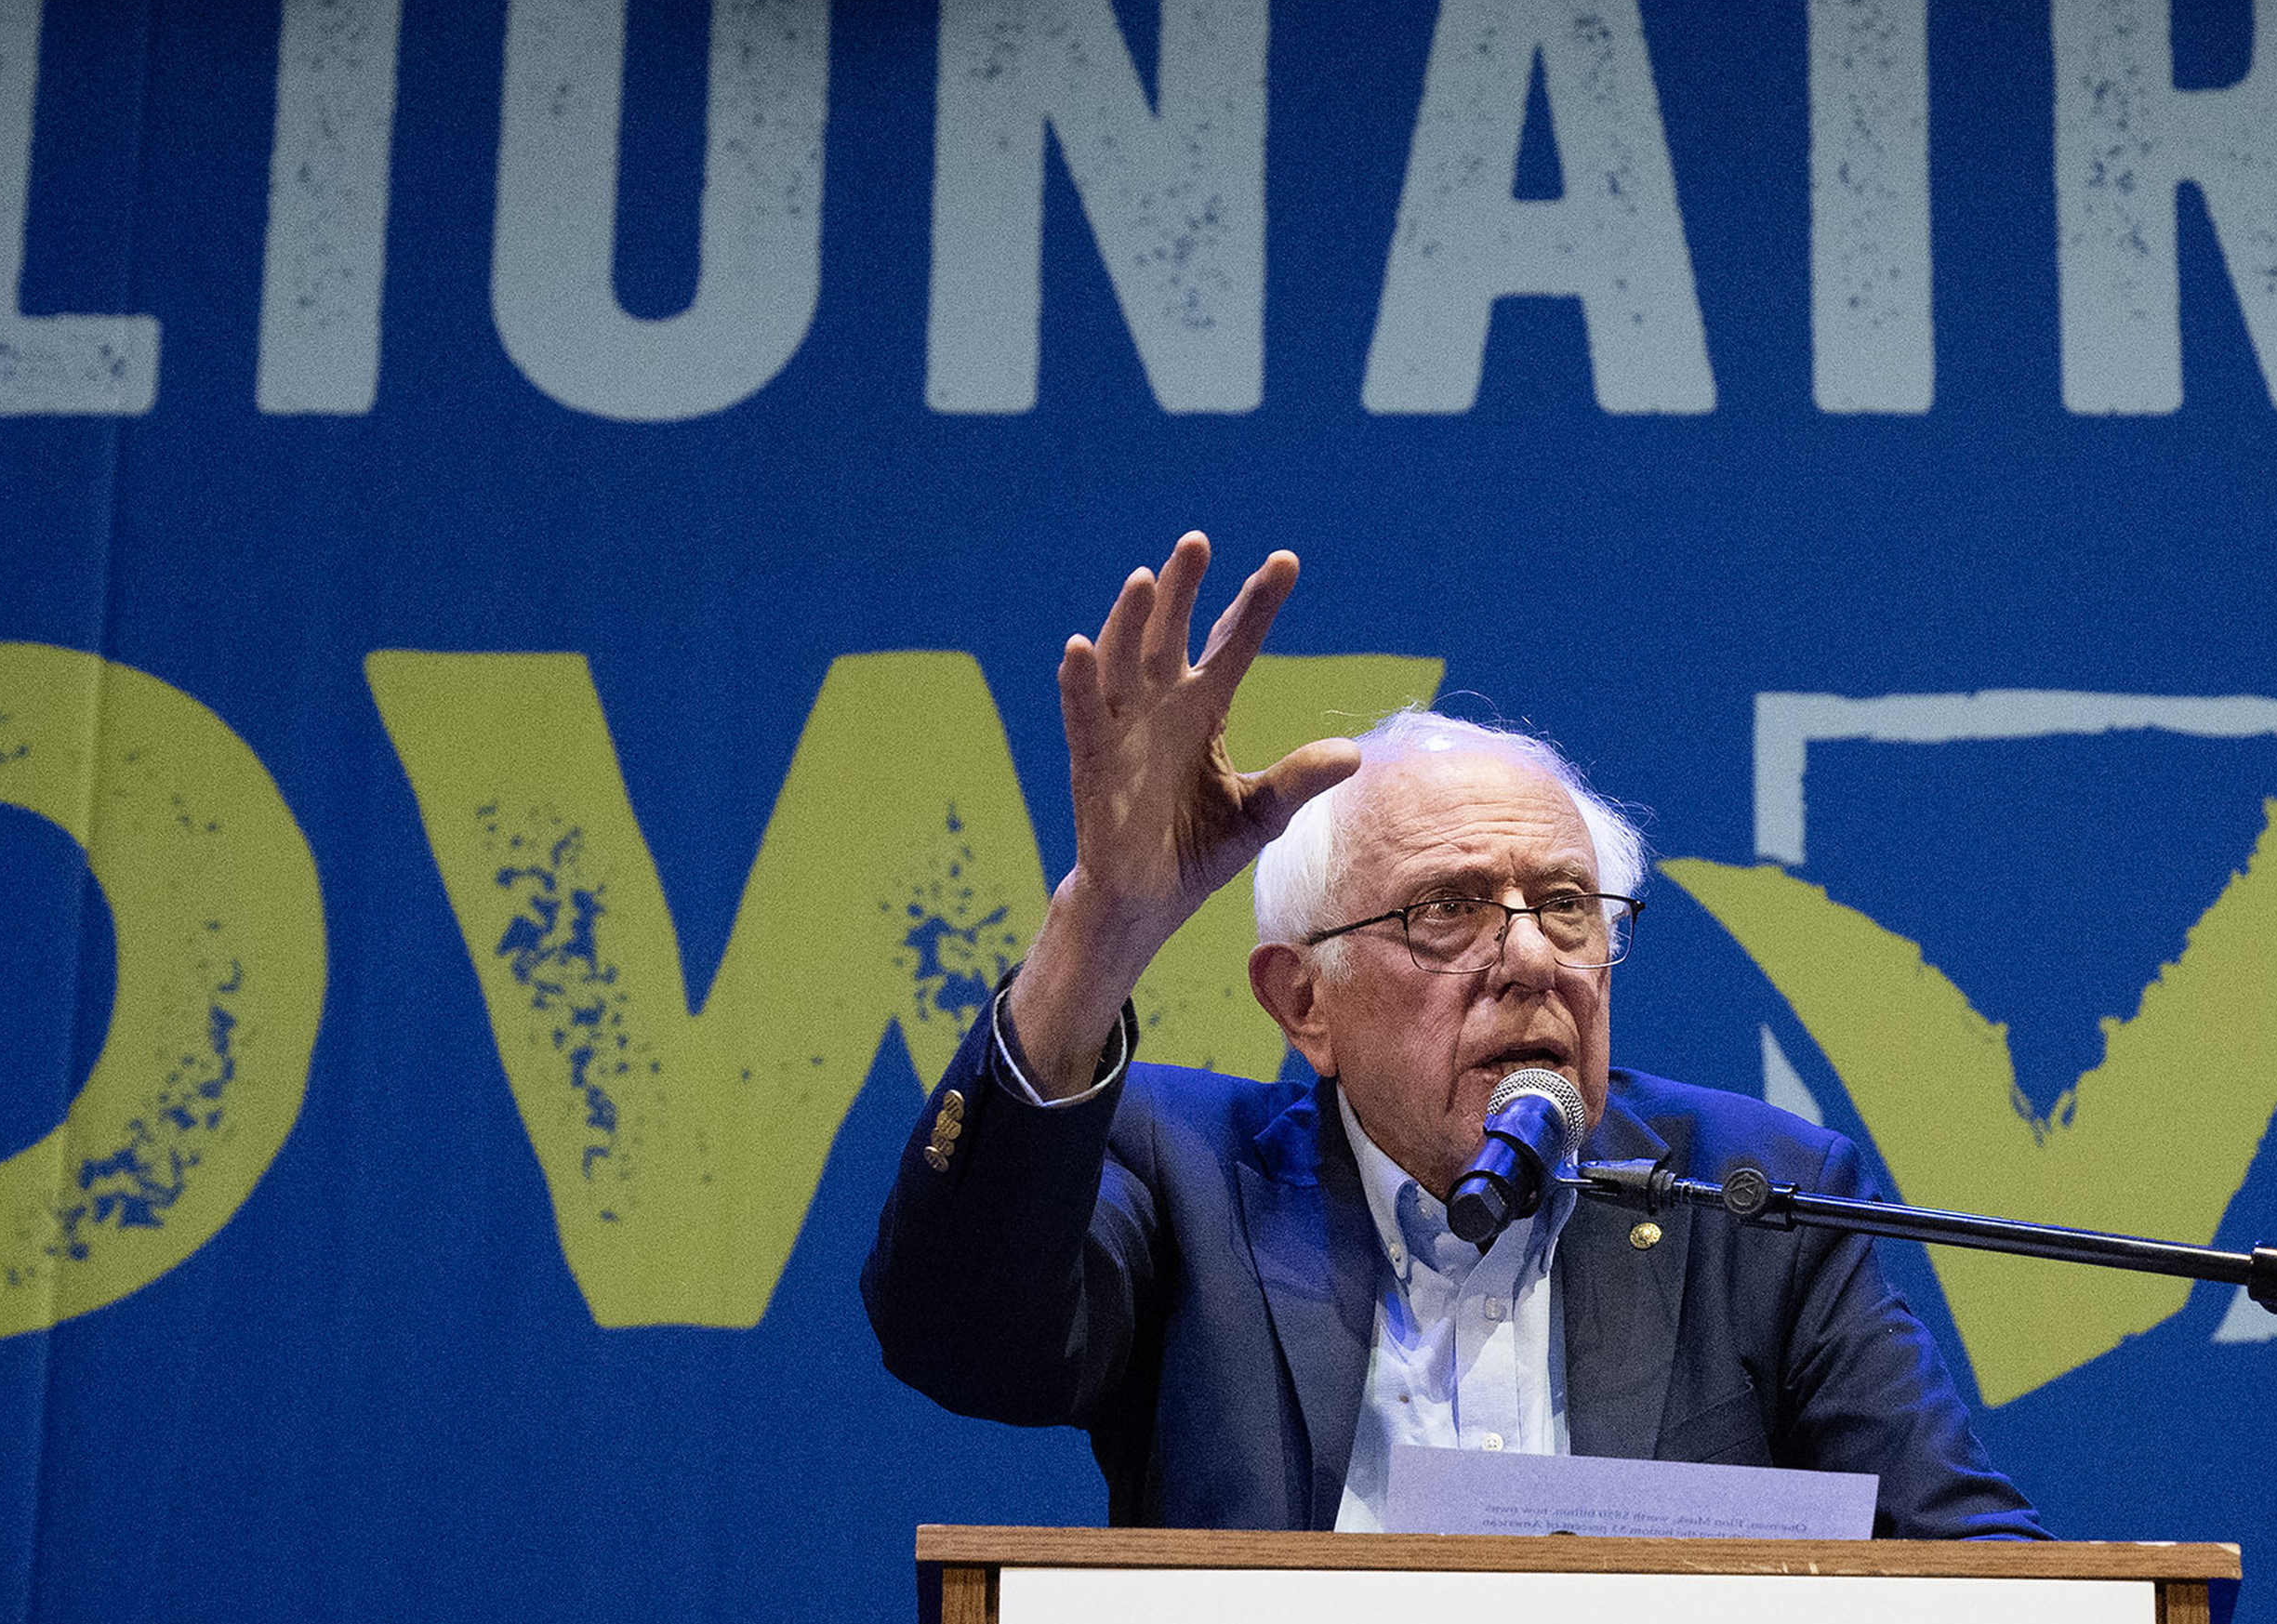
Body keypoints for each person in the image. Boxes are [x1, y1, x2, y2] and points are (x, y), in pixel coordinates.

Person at [860, 531, 2043, 1537]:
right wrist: (1101, 928)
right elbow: (956, 1335)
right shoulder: (1185, 1176)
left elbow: (2002, 1592)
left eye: (1567, 906)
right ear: (1303, 1003)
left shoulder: (1758, 1204)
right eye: (1449, 908)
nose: (1530, 954)